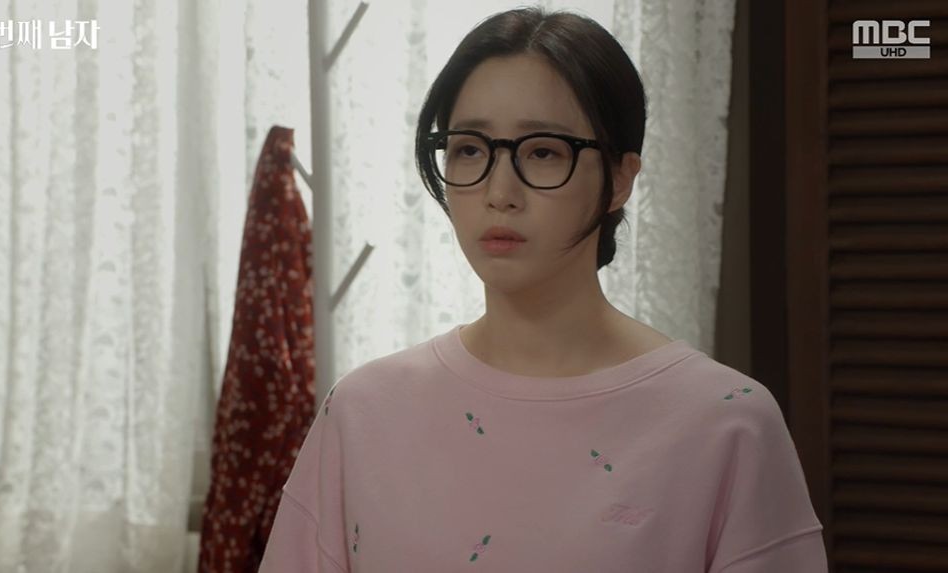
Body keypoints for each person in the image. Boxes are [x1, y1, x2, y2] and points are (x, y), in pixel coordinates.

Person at [258, 6, 827, 572]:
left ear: (620, 178)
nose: (499, 192)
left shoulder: (726, 423)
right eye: (470, 149)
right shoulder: (363, 412)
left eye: (544, 152)